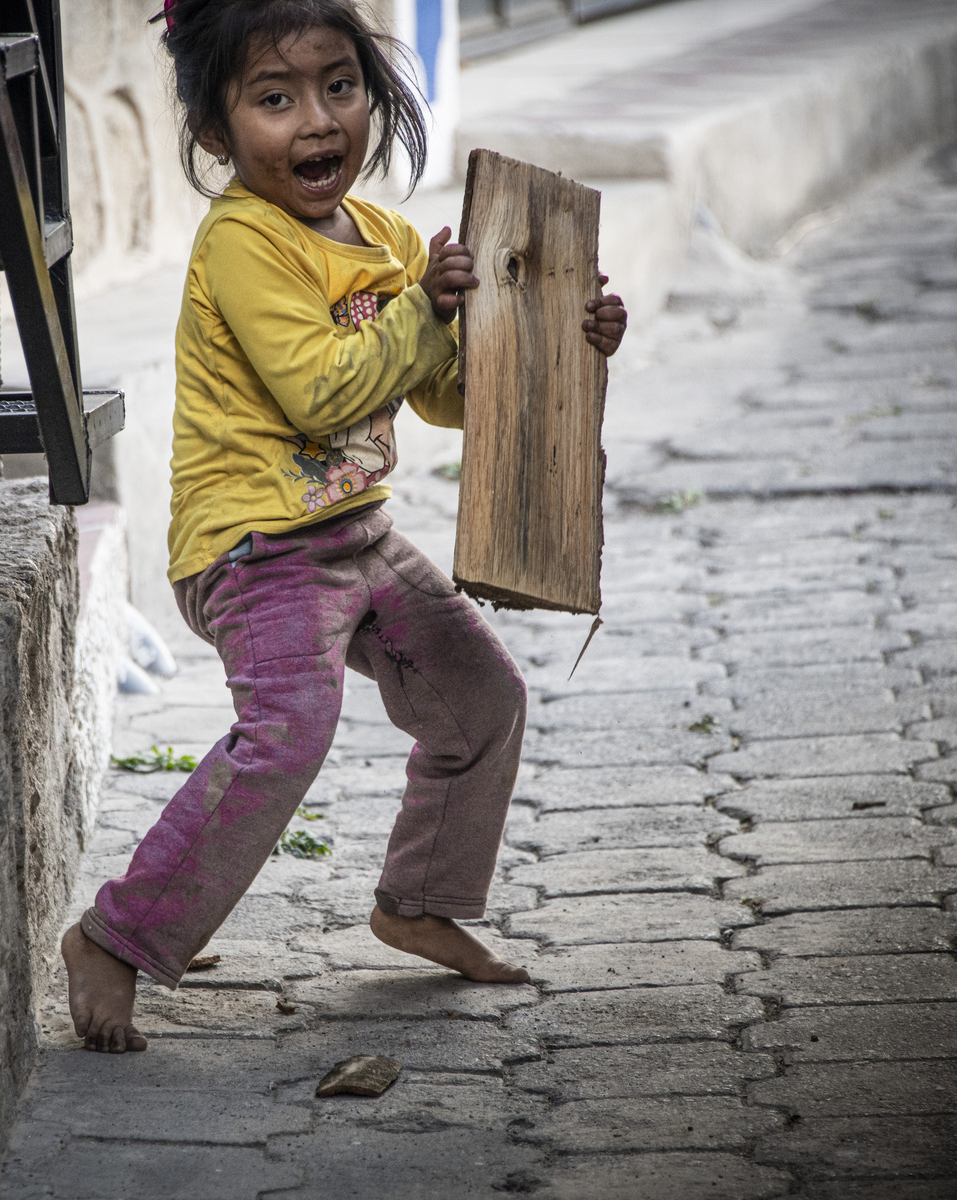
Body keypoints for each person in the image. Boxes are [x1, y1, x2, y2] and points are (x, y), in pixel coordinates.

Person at [62, 0, 629, 1053]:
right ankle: (115, 936)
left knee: (482, 699)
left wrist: (563, 337)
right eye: (275, 99)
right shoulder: (243, 242)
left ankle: (417, 903)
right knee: (289, 731)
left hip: (353, 536)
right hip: (254, 553)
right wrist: (427, 311)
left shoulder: (387, 239)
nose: (318, 119)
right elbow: (324, 394)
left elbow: (453, 396)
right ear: (219, 136)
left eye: (339, 86)